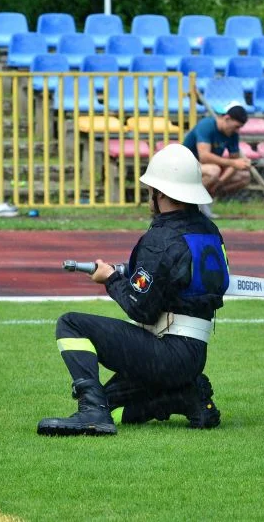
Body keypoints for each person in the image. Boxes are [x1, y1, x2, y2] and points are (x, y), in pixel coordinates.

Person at [37, 143, 228, 436]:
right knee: (115, 405)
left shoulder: (160, 238)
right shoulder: (209, 231)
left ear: (160, 192)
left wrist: (110, 279)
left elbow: (142, 309)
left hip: (165, 353)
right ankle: (184, 395)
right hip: (194, 354)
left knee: (71, 324)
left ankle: (91, 412)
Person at [182, 102, 252, 218]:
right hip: (185, 167)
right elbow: (204, 156)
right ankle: (184, 206)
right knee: (213, 170)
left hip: (205, 169)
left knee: (244, 176)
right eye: (237, 126)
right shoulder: (207, 125)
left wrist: (219, 182)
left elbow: (234, 163)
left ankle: (205, 202)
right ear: (227, 118)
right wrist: (234, 163)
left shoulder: (233, 134)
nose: (237, 130)